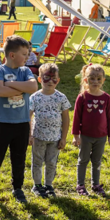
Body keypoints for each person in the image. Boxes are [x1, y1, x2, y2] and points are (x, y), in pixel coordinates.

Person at [0, 35, 38, 205]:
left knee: (18, 159)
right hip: (2, 123)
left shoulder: (26, 71)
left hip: (21, 123)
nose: (27, 57)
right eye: (24, 54)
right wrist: (20, 88)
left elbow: (33, 87)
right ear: (12, 55)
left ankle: (18, 189)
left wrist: (9, 85)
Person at [28, 63, 70, 198]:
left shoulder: (61, 97)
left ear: (58, 81)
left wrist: (63, 138)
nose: (50, 82)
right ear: (40, 79)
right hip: (38, 136)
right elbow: (28, 117)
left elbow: (66, 119)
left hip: (55, 138)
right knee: (37, 161)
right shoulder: (34, 97)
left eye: (54, 79)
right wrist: (29, 135)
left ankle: (48, 185)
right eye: (46, 78)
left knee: (51, 162)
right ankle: (37, 185)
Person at [71, 64, 110, 196]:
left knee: (97, 161)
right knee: (83, 160)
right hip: (85, 136)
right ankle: (80, 185)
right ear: (85, 80)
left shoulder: (106, 98)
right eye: (92, 79)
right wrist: (76, 135)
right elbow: (76, 117)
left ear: (103, 80)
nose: (95, 82)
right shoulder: (82, 97)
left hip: (101, 137)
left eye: (98, 79)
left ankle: (95, 184)